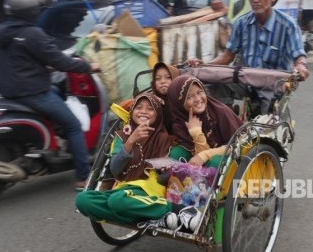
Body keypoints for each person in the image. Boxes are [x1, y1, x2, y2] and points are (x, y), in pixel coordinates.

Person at [0, 0, 101, 189]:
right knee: (73, 126)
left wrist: (43, 66)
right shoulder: (33, 34)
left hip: (9, 91)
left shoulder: (1, 32)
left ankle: (53, 140)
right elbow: (63, 62)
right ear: (33, 10)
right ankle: (82, 177)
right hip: (32, 92)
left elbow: (19, 59)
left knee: (54, 91)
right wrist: (90, 66)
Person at [186, 0, 308, 112]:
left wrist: (301, 66)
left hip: (274, 86)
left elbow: (298, 55)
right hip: (246, 82)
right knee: (215, 85)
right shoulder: (241, 23)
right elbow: (227, 57)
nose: (255, 0)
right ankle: (227, 119)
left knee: (265, 123)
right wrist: (202, 67)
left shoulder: (287, 25)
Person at [75, 93, 176, 225]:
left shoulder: (164, 139)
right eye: (139, 107)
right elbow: (115, 169)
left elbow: (167, 176)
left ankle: (167, 209)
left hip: (147, 190)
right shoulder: (122, 136)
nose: (143, 112)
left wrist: (164, 170)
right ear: (132, 111)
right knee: (82, 200)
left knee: (117, 201)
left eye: (150, 109)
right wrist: (130, 142)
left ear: (158, 114)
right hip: (123, 189)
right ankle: (142, 217)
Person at [167, 75, 243, 168]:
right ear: (178, 103)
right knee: (176, 153)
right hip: (199, 162)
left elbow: (237, 144)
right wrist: (196, 133)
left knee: (214, 162)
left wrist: (204, 153)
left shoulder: (220, 112)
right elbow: (197, 157)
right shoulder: (179, 122)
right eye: (189, 97)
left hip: (231, 155)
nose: (198, 99)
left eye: (199, 92)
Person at [151, 62, 180, 133]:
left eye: (168, 77)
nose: (162, 81)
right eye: (158, 78)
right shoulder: (151, 101)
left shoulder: (183, 101)